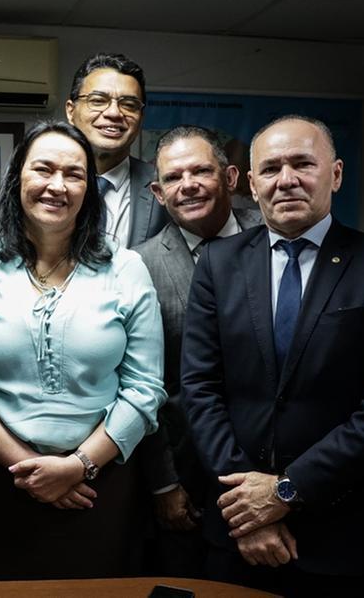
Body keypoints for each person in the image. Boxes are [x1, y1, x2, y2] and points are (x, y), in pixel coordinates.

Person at [181, 115, 364, 596]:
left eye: (302, 164)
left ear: (334, 174)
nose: (286, 179)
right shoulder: (218, 263)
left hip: (339, 534)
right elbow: (200, 389)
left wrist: (286, 492)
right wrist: (247, 509)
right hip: (236, 531)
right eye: (270, 168)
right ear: (251, 184)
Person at [0, 120, 166, 579]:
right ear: (18, 179)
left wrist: (78, 465)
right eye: (43, 169)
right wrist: (30, 467)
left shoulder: (126, 269)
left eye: (74, 174)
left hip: (100, 488)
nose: (57, 185)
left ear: (90, 189)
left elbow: (145, 388)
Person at [133, 125, 263, 577]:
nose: (187, 185)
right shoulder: (138, 265)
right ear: (158, 192)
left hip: (272, 469)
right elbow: (140, 386)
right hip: (185, 470)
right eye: (173, 178)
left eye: (201, 171)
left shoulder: (276, 237)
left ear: (230, 178)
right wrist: (163, 482)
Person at [65, 52, 166, 247]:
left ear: (141, 117)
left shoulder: (164, 186)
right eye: (98, 100)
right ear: (71, 111)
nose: (114, 113)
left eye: (129, 105)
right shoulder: (42, 185)